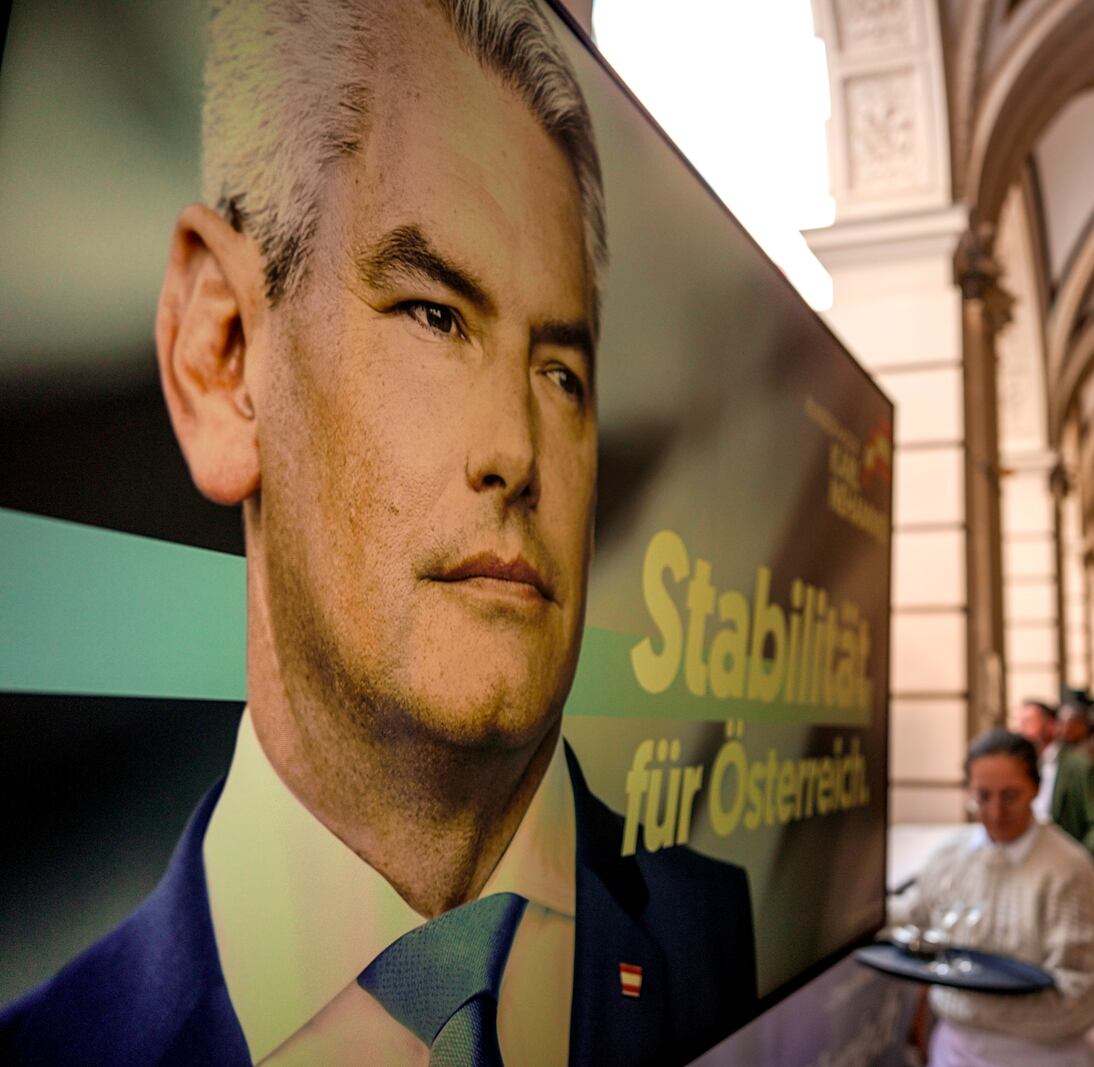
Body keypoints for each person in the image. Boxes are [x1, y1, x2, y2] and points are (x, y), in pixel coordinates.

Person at [0, 3, 755, 1065]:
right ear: (223, 355)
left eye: (561, 370)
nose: (517, 452)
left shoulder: (707, 928)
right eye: (434, 313)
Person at [889, 729, 1094, 1067]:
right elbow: (915, 914)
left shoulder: (1068, 871)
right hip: (955, 1050)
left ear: (1035, 789)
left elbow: (1082, 997)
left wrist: (969, 1002)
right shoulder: (952, 855)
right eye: (982, 797)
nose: (995, 812)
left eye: (1010, 796)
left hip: (1039, 1055)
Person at [1050, 700, 1094, 865]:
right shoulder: (1058, 758)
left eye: (1070, 723)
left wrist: (1082, 860)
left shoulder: (1086, 761)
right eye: (1061, 723)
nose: (1064, 729)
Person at [1017, 698, 1061, 825]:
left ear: (1051, 725)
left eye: (1029, 722)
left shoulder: (1076, 764)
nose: (1022, 730)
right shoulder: (1021, 764)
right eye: (1021, 723)